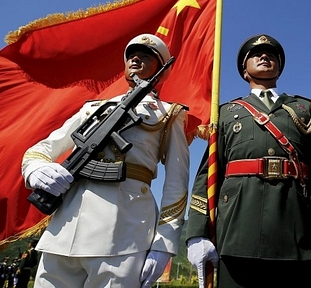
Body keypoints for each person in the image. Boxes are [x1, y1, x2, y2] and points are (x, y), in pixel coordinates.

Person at [21, 33, 190, 288]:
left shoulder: (169, 114)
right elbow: (44, 148)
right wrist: (36, 168)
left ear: (161, 70)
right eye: (132, 55)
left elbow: (176, 184)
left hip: (124, 233)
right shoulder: (94, 109)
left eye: (146, 56)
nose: (136, 59)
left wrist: (164, 243)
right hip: (66, 228)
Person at [185, 34, 311, 288]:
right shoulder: (225, 112)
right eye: (255, 54)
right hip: (238, 231)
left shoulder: (307, 109)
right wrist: (197, 234)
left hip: (303, 234)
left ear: (279, 68)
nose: (264, 56)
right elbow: (207, 175)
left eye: (271, 54)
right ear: (243, 70)